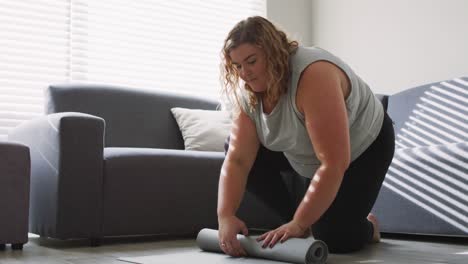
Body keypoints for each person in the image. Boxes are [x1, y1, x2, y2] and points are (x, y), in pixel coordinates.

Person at [216, 16, 395, 256]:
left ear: (273, 52)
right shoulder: (248, 92)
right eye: (237, 66)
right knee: (233, 146)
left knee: (336, 239)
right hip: (310, 151)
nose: (244, 74)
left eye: (251, 61)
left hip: (364, 147)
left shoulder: (313, 74)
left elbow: (333, 162)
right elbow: (238, 160)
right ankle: (303, 221)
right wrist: (225, 216)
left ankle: (369, 226)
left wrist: (301, 223)